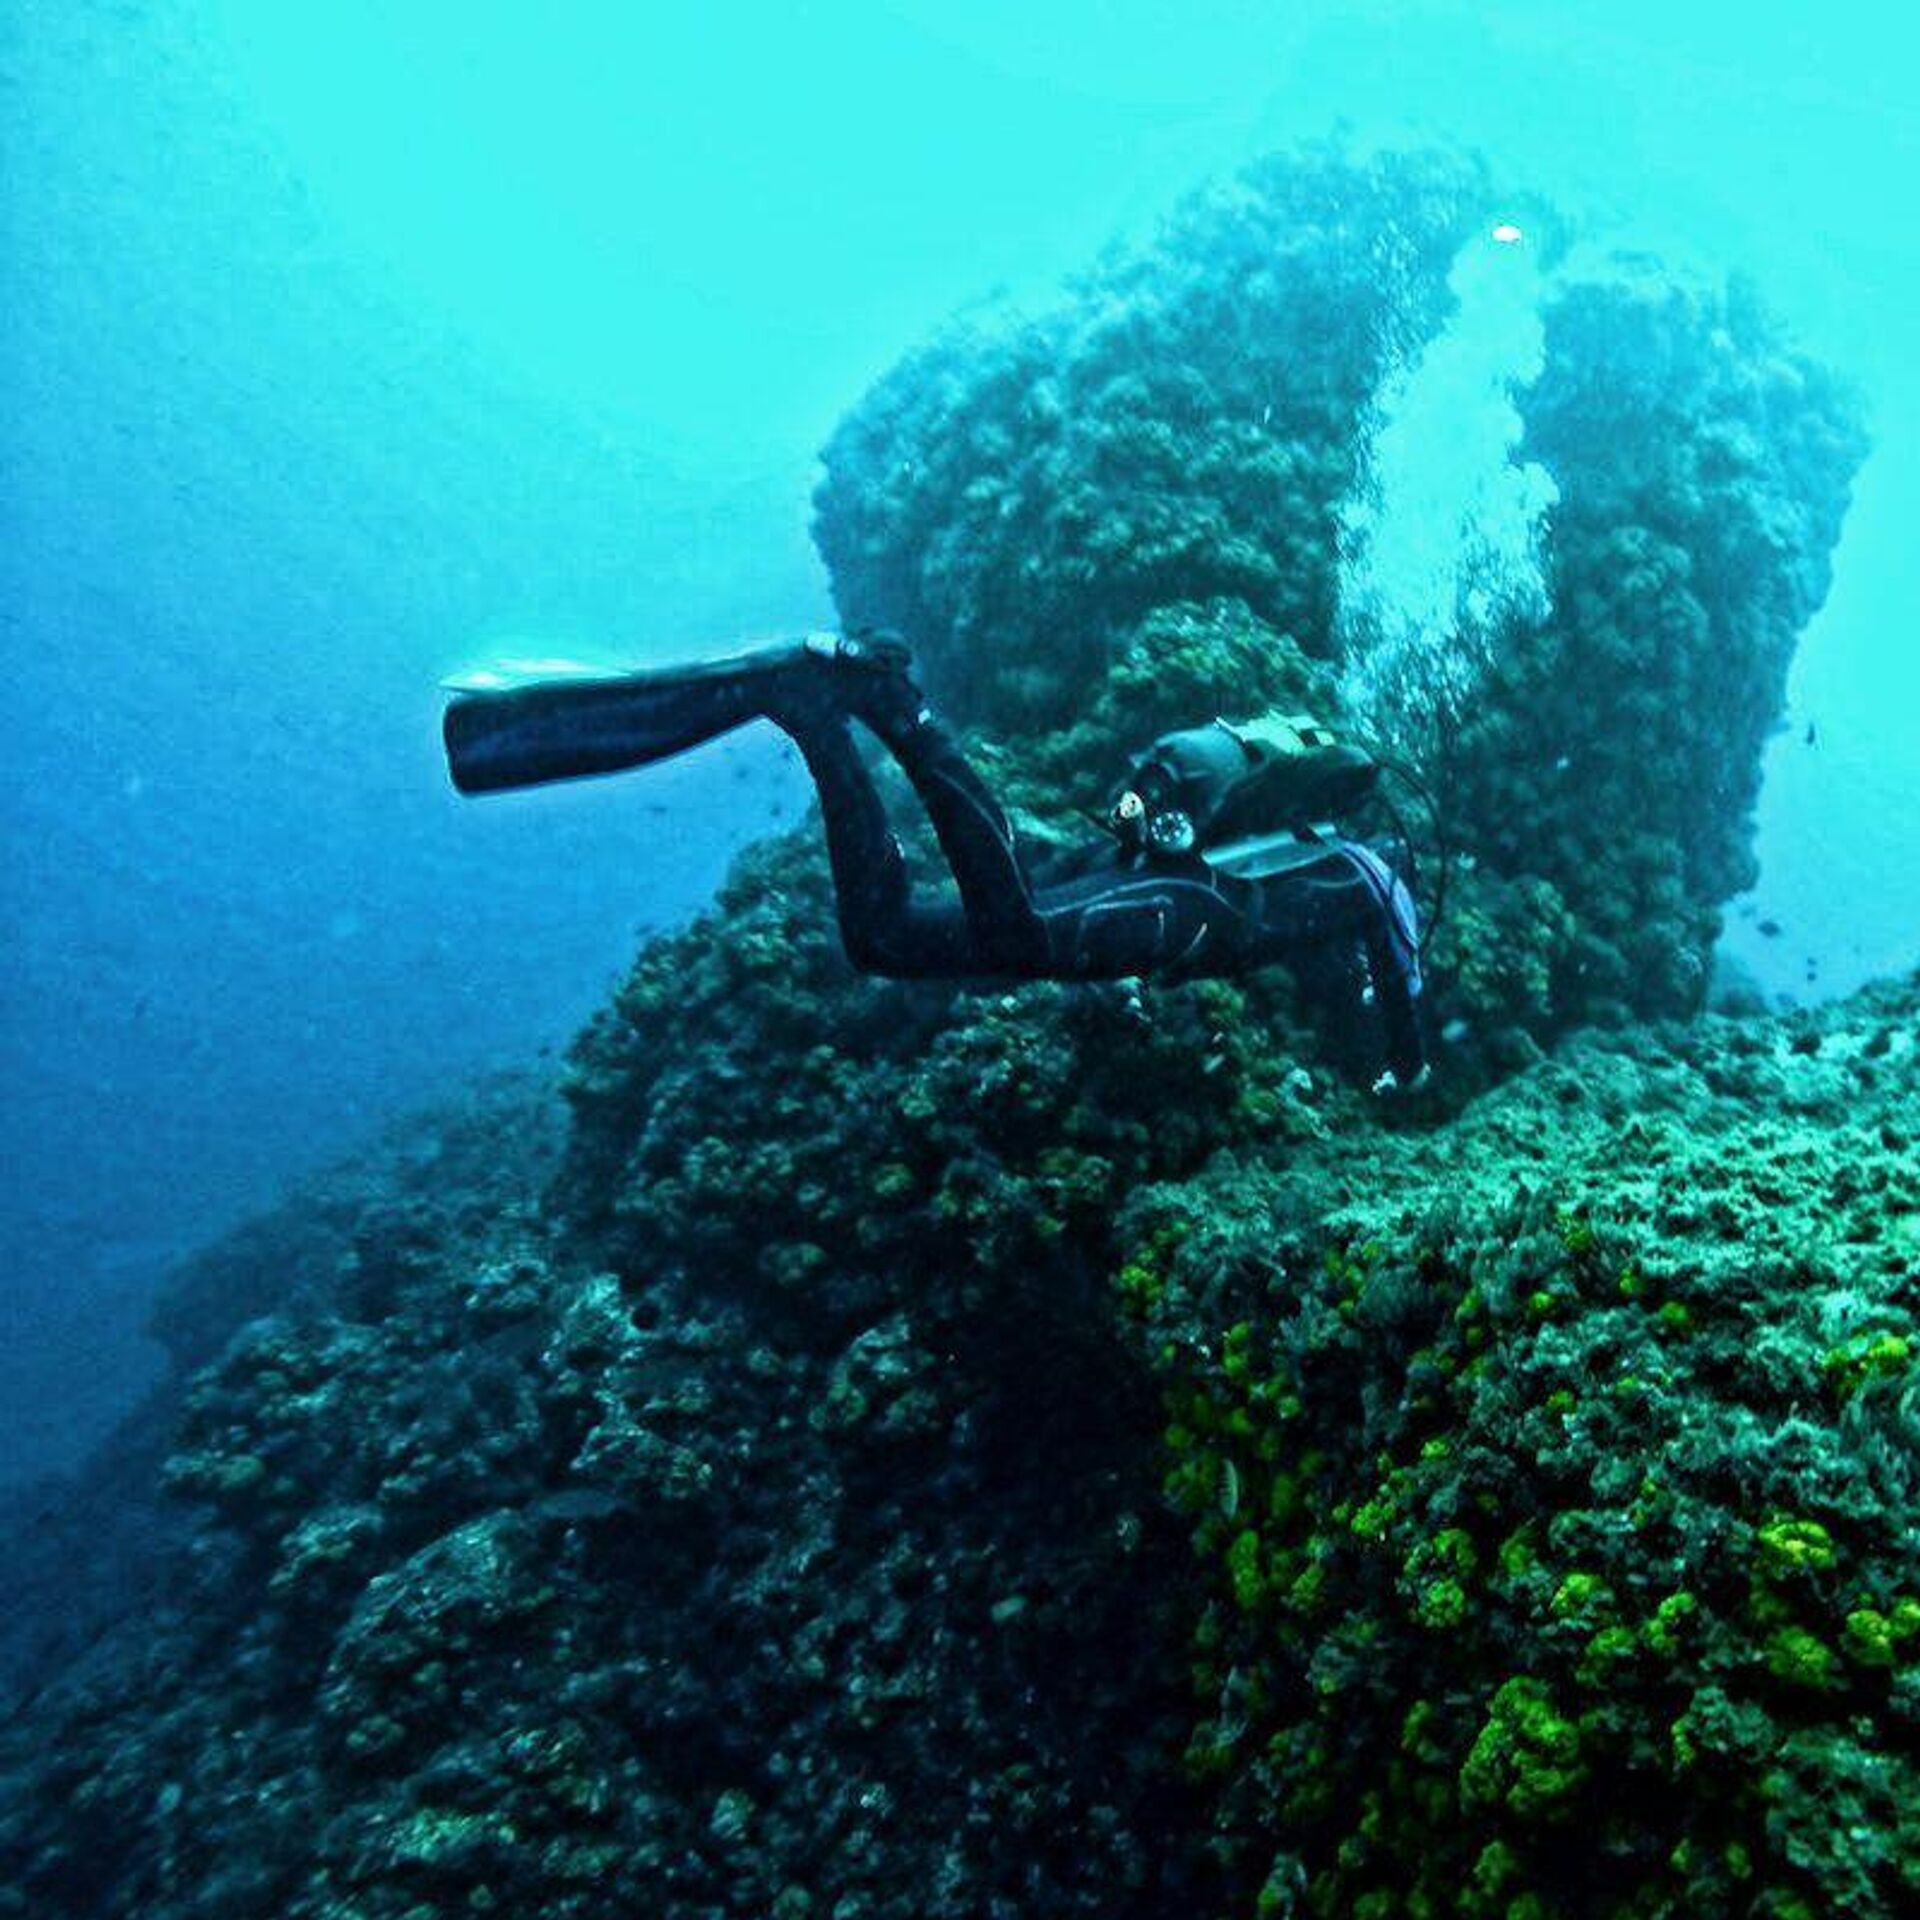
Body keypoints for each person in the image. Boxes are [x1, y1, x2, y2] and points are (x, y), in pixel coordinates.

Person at [441, 631, 1427, 1089]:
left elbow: (1359, 987)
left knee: (889, 941)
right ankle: (898, 706)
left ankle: (814, 716)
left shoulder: (1329, 864)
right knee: (1022, 934)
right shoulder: (1371, 879)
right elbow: (1401, 979)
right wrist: (1412, 1071)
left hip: (1162, 890)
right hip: (1189, 906)